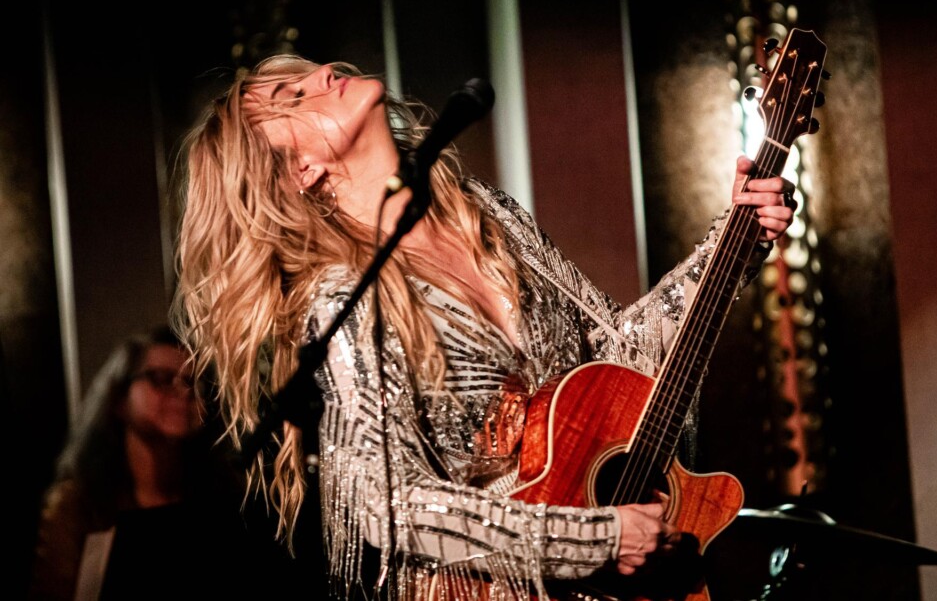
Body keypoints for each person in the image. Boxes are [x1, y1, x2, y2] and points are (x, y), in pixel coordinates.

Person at [171, 56, 796, 600]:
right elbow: (388, 506)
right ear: (301, 171)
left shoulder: (486, 214)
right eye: (294, 97)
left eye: (310, 72)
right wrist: (597, 540)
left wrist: (733, 243)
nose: (324, 74)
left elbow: (614, 355)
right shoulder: (342, 297)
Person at [28, 326, 205, 599]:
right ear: (120, 398)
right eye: (161, 378)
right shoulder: (78, 503)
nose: (182, 392)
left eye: (191, 382)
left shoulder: (212, 491)